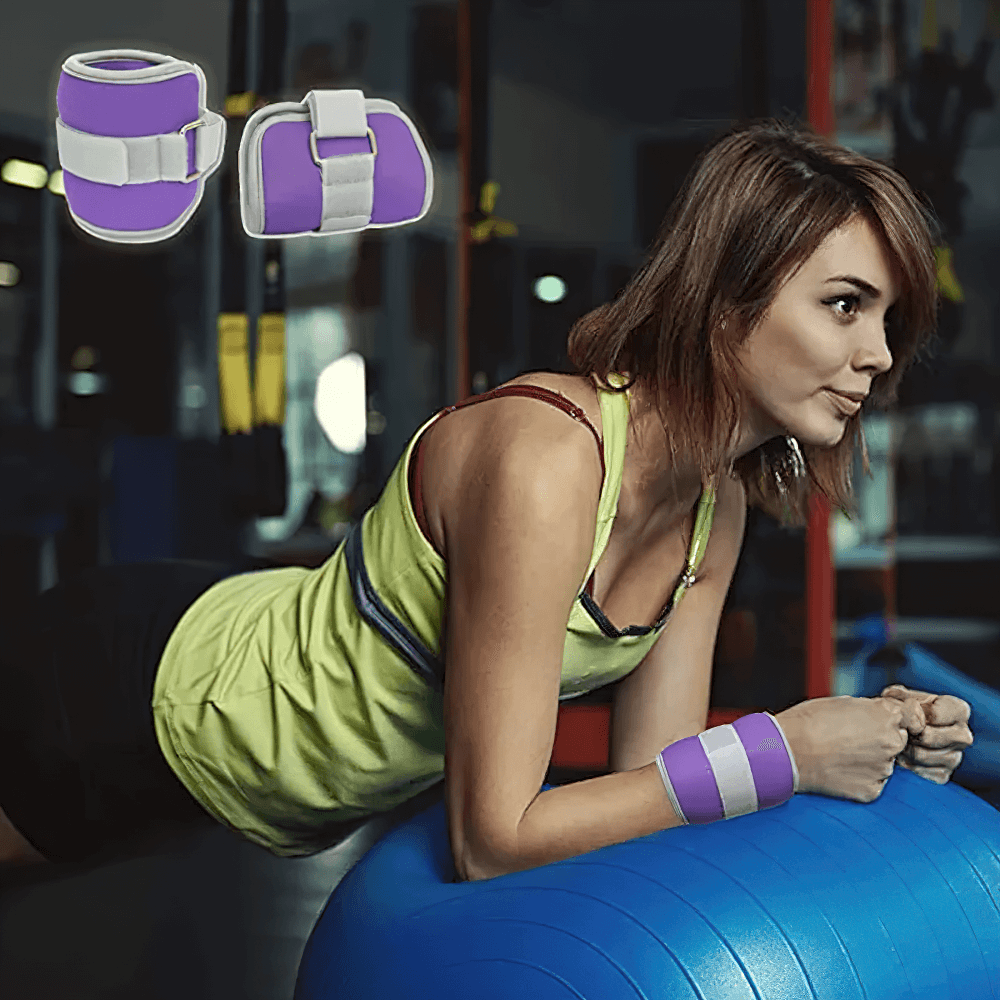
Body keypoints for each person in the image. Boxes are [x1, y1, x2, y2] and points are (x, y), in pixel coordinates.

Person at [0, 119, 975, 882]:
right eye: (844, 304)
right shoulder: (546, 459)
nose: (879, 355)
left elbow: (652, 784)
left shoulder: (711, 511)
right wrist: (781, 749)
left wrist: (861, 736)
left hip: (250, 794)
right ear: (725, 298)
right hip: (139, 691)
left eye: (890, 318)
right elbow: (493, 838)